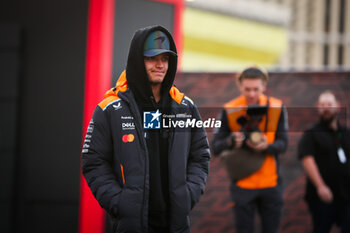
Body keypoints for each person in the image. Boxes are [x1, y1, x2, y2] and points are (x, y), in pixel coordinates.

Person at [81, 25, 210, 233]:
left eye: (166, 59)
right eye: (152, 58)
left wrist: (188, 195)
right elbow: (93, 161)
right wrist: (119, 202)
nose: (160, 65)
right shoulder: (109, 108)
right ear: (137, 60)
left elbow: (200, 156)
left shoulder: (185, 107)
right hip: (131, 226)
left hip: (175, 226)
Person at [211, 66, 288, 233]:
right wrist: (232, 140)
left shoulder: (277, 107)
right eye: (247, 89)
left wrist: (266, 146)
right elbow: (216, 146)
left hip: (271, 183)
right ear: (239, 86)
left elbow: (283, 144)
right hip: (243, 184)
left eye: (256, 89)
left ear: (264, 86)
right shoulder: (229, 109)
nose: (252, 94)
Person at [298, 90, 350, 233]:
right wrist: (321, 186)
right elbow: (307, 158)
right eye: (322, 104)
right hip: (321, 196)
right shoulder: (312, 133)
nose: (326, 107)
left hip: (346, 194)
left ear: (337, 106)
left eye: (329, 104)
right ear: (317, 107)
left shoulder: (345, 133)